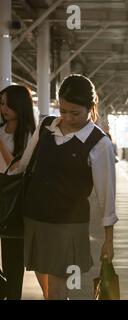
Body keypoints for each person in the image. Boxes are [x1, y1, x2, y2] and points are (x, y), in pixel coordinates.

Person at [16, 74, 118, 300]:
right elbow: (24, 164)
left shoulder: (99, 143)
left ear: (90, 108)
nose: (67, 118)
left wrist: (109, 241)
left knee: (58, 287)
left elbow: (106, 197)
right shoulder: (46, 127)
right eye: (63, 111)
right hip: (35, 216)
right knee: (46, 282)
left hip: (68, 225)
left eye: (75, 113)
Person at [0, 85, 36, 300]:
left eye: (8, 104)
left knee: (12, 259)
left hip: (13, 198)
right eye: (1, 103)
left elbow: (15, 167)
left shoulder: (29, 134)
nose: (4, 108)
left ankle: (12, 294)